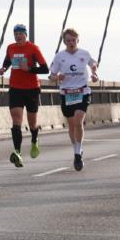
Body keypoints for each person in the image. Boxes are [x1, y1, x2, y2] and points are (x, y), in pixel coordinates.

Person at [0, 24, 49, 167]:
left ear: (26, 35)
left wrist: (30, 69)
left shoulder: (33, 48)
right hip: (15, 88)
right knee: (16, 121)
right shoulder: (11, 47)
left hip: (32, 88)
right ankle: (17, 153)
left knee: (32, 123)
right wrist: (4, 68)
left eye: (21, 33)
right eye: (16, 34)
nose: (18, 36)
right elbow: (8, 60)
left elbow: (45, 69)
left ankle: (34, 140)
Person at [49, 28, 98, 172]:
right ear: (64, 42)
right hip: (67, 94)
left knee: (78, 121)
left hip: (82, 92)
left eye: (73, 40)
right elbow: (51, 76)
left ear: (78, 40)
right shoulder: (59, 56)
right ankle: (77, 149)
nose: (71, 43)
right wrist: (57, 77)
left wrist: (94, 74)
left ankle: (78, 154)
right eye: (68, 40)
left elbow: (93, 65)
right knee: (71, 125)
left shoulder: (84, 53)